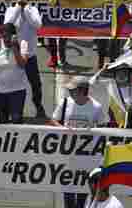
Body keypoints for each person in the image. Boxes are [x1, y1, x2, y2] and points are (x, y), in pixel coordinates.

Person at [49, 76, 107, 208]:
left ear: (82, 91)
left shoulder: (96, 107)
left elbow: (104, 127)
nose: (70, 93)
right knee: (68, 192)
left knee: (82, 192)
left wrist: (92, 131)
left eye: (73, 90)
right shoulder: (64, 103)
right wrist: (63, 128)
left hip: (86, 156)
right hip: (67, 154)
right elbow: (53, 120)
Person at [4, 0, 47, 119]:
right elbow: (8, 23)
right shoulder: (10, 10)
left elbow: (37, 25)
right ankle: (13, 110)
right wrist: (18, 8)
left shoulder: (33, 10)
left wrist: (26, 10)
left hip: (30, 54)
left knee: (35, 84)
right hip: (15, 54)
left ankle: (38, 106)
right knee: (13, 83)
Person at [0, 22, 29, 124]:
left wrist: (14, 48)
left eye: (7, 36)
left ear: (14, 35)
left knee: (16, 119)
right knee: (2, 121)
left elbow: (22, 64)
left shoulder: (22, 44)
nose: (5, 39)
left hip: (17, 90)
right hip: (0, 91)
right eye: (3, 35)